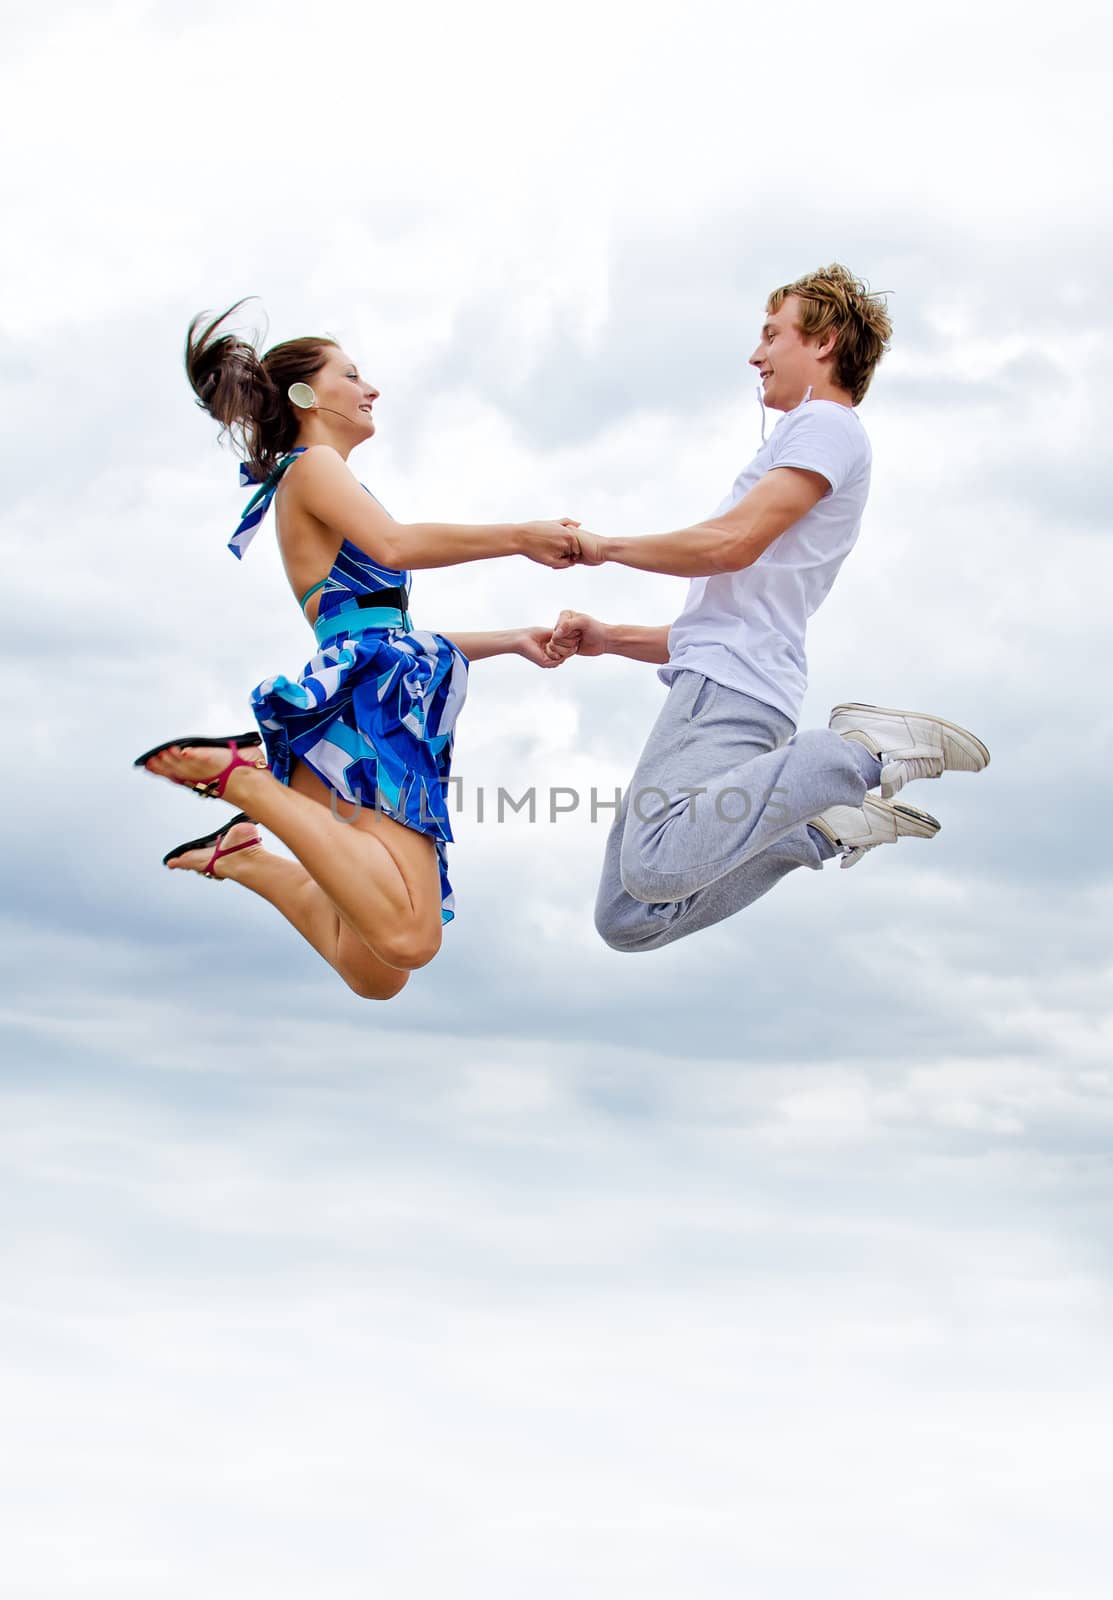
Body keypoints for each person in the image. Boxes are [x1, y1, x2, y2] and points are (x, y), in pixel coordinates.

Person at [135, 302, 580, 999]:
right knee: (410, 938)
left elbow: (378, 638)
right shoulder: (311, 466)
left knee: (378, 971)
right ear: (308, 396)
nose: (370, 388)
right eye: (353, 374)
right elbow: (396, 547)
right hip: (364, 715)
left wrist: (511, 641)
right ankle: (243, 775)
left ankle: (243, 856)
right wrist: (520, 535)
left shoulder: (319, 476)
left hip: (367, 695)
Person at [545, 264, 990, 952]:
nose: (756, 355)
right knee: (628, 918)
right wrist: (607, 638)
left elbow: (730, 544)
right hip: (731, 677)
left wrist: (602, 546)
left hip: (730, 689)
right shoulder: (812, 434)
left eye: (771, 334)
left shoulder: (825, 425)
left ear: (825, 341)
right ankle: (820, 827)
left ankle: (859, 753)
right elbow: (724, 619)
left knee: (658, 863)